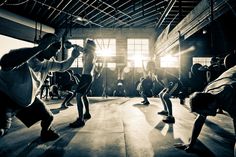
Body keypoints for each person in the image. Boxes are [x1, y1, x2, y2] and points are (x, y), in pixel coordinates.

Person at [0, 33, 81, 141]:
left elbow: (62, 67)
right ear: (44, 44)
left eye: (55, 53)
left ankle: (45, 132)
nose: (53, 55)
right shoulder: (25, 54)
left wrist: (73, 57)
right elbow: (4, 62)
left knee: (49, 117)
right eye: (52, 51)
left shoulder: (48, 63)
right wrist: (39, 48)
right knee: (2, 129)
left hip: (25, 101)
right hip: (5, 97)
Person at [174, 65, 236, 156]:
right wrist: (191, 143)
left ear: (210, 105)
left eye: (205, 113)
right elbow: (199, 121)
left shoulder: (229, 96)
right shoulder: (207, 93)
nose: (205, 116)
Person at [69, 39, 100, 128]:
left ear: (90, 46)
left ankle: (80, 119)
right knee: (84, 95)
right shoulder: (92, 53)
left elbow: (82, 49)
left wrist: (74, 45)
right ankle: (87, 113)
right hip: (88, 77)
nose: (85, 45)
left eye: (86, 44)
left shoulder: (89, 52)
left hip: (86, 77)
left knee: (78, 96)